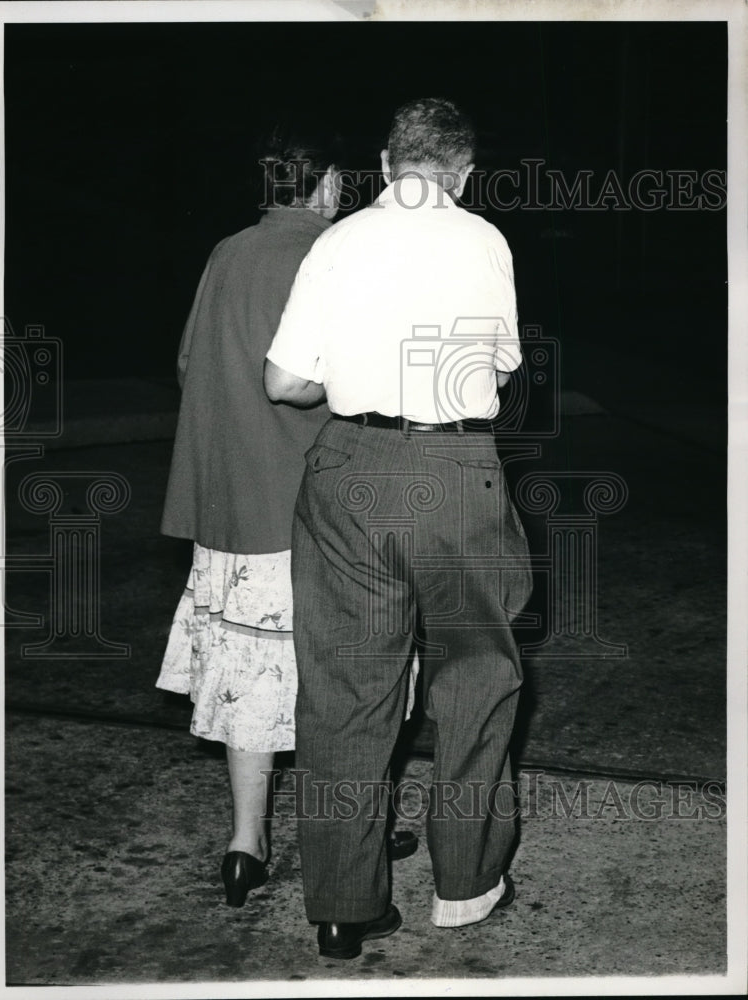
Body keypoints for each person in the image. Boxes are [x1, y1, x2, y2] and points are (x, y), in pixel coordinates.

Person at [265, 97, 533, 959]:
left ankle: (342, 907)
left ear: (384, 164)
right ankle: (465, 885)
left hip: (347, 471)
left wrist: (348, 371)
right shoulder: (484, 240)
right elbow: (500, 363)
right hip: (453, 472)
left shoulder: (335, 242)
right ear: (460, 172)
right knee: (473, 680)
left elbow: (284, 382)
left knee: (343, 691)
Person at [156, 123, 419, 912]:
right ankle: (350, 833)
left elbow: (184, 364)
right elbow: (348, 380)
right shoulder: (334, 252)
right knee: (352, 680)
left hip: (230, 506)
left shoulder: (227, 252)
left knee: (247, 681)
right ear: (331, 184)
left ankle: (246, 845)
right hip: (317, 509)